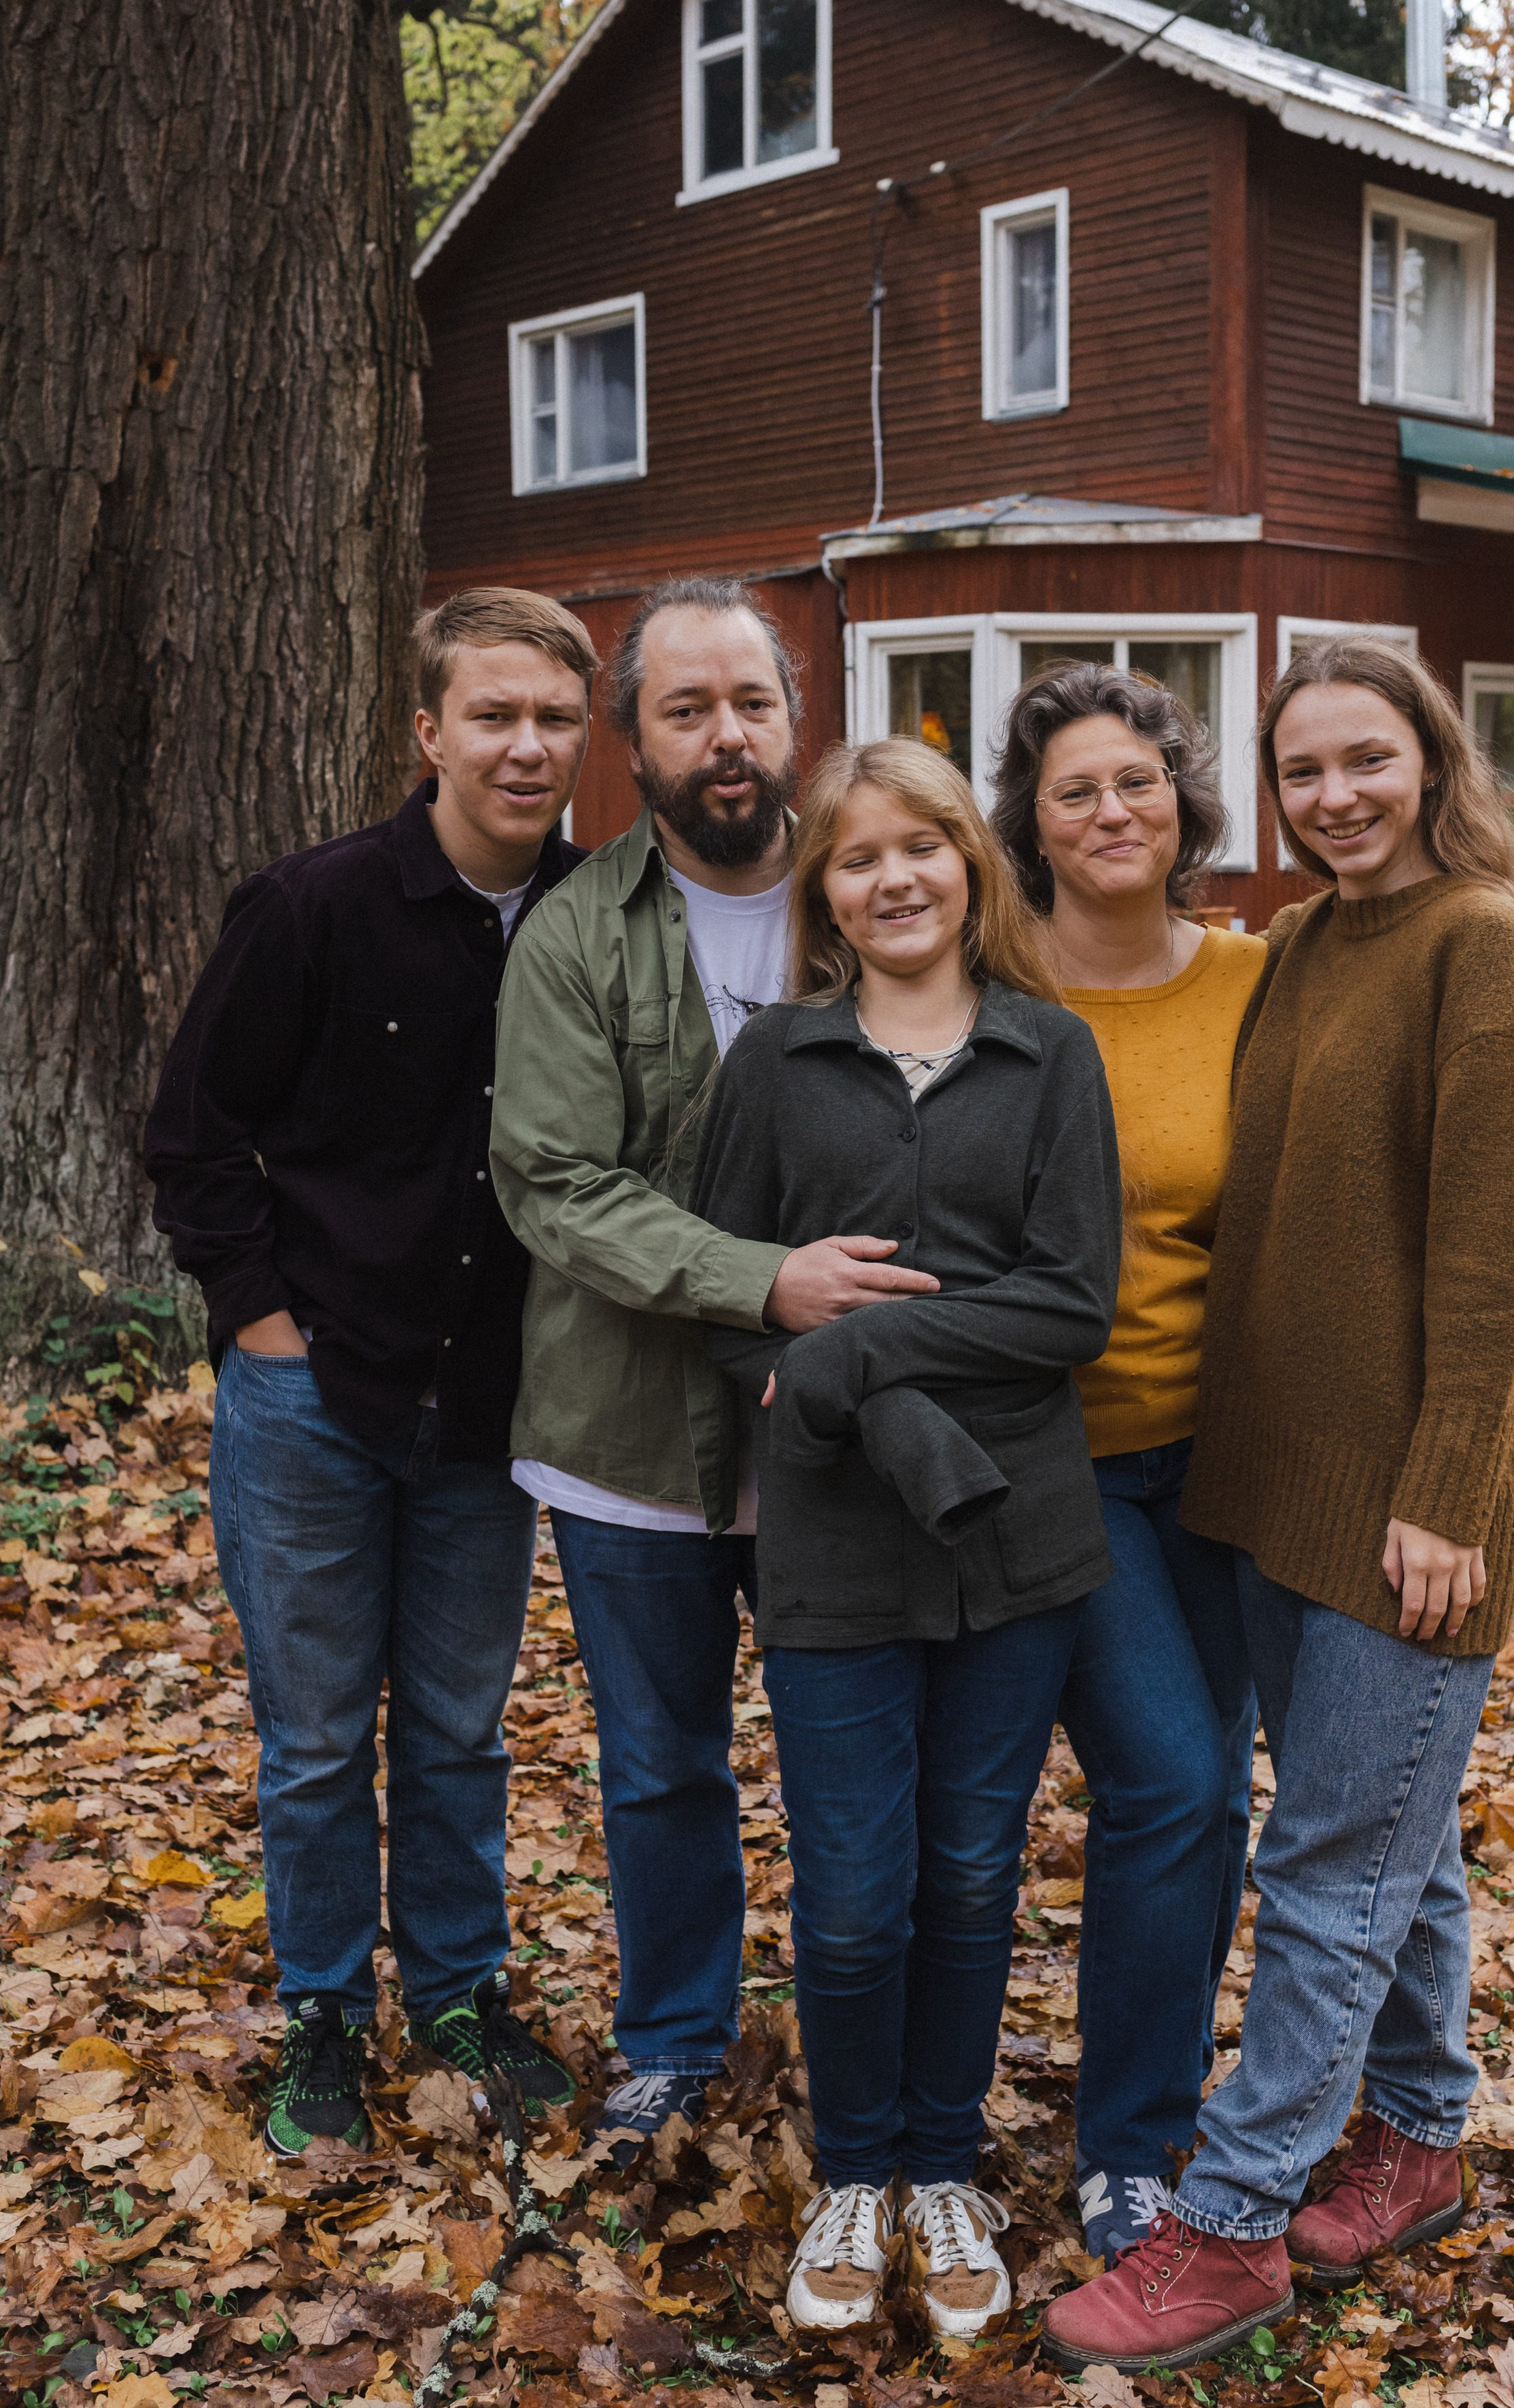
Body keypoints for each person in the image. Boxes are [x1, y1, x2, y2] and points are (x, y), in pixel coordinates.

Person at [1043, 635, 1514, 2375]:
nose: (1333, 796)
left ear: (1427, 757)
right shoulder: (1305, 947)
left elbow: (1492, 1256)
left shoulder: (1476, 947)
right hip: (1269, 1477)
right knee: (1387, 1845)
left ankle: (1233, 2225)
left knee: (1331, 1863)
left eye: (1365, 760)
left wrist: (1441, 1496)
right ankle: (1415, 2132)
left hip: (1412, 1496)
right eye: (1301, 772)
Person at [489, 580, 942, 2154]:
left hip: (844, 1435)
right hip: (625, 1439)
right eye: (685, 710)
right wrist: (764, 1282)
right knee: (663, 1764)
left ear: (791, 718)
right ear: (634, 743)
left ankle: (863, 2047)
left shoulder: (872, 899)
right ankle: (674, 2041)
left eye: (748, 701)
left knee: (856, 1767)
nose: (724, 735)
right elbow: (553, 1181)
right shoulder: (571, 933)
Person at [143, 586, 596, 2156]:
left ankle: (459, 1987)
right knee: (321, 1732)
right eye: (493, 715)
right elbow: (193, 1137)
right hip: (314, 1394)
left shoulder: (603, 919)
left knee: (462, 1728)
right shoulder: (314, 907)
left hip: (492, 1407)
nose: (523, 745)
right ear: (428, 732)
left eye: (551, 718)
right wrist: (261, 1321)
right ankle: (327, 2010)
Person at [689, 737, 1122, 2342]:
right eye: (859, 859)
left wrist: (860, 1347)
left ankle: (946, 2164)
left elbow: (1073, 1302)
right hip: (831, 1540)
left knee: (966, 1869)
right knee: (858, 1887)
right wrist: (810, 1366)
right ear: (828, 893)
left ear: (967, 864)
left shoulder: (1047, 1053)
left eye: (921, 848)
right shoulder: (778, 1062)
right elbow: (730, 1295)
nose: (894, 879)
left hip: (1016, 1530)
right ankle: (855, 2174)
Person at [989, 662, 1264, 2259]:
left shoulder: (1253, 977)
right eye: (1076, 787)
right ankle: (1130, 2148)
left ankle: (1142, 2119)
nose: (1112, 810)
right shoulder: (986, 981)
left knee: (1197, 1798)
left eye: (1138, 780)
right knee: (1172, 1776)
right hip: (1052, 1457)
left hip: (1217, 1458)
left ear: (1182, 800)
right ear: (1029, 819)